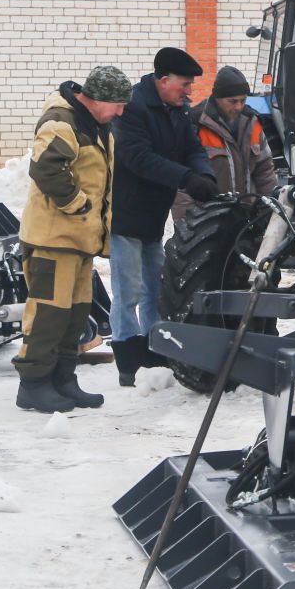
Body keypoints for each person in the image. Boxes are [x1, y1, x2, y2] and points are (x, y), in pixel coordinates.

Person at [12, 65, 130, 413]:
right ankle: (33, 385)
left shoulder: (96, 125)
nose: (121, 112)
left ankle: (64, 380)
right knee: (48, 314)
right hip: (54, 238)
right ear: (96, 99)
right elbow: (46, 169)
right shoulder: (62, 122)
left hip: (80, 240)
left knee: (74, 314)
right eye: (117, 104)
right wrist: (78, 205)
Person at [110, 46, 219, 385]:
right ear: (163, 80)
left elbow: (192, 149)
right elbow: (138, 158)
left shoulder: (176, 111)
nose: (189, 92)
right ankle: (128, 359)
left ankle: (154, 351)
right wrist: (186, 179)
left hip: (153, 216)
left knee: (156, 288)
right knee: (128, 290)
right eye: (184, 85)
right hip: (125, 214)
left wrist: (205, 177)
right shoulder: (132, 108)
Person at [171, 65, 279, 226]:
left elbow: (265, 175)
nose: (238, 107)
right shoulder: (195, 126)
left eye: (243, 100)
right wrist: (187, 225)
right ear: (217, 98)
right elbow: (181, 186)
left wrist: (268, 218)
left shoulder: (253, 124)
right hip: (207, 224)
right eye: (232, 101)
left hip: (248, 221)